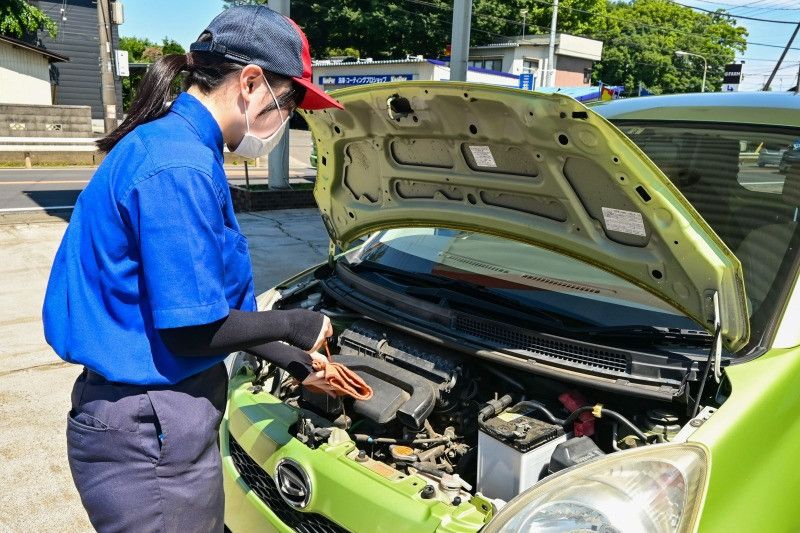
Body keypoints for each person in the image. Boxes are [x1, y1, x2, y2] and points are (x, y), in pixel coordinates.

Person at [41, 6, 343, 532]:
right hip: (148, 435)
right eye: (289, 104)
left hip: (149, 423)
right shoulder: (178, 165)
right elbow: (191, 330)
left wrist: (293, 359)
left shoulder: (175, 145)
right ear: (251, 83)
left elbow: (206, 308)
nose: (286, 121)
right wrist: (298, 324)